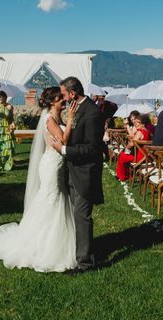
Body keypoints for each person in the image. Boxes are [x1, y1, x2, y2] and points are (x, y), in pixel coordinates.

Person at [0, 86, 77, 272]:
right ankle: (44, 246)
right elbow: (64, 141)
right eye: (61, 98)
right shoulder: (51, 119)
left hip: (56, 164)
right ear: (53, 101)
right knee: (51, 200)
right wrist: (70, 121)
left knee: (53, 199)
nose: (64, 100)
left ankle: (54, 241)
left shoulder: (54, 117)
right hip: (52, 165)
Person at [50, 76, 104, 274]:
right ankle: (79, 252)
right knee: (76, 215)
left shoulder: (92, 113)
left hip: (84, 172)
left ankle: (86, 263)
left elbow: (92, 149)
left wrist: (64, 150)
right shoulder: (78, 109)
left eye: (64, 95)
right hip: (73, 170)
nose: (63, 99)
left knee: (82, 216)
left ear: (73, 93)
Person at [115, 111, 150, 181]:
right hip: (145, 156)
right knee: (124, 155)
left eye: (137, 122)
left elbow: (132, 144)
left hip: (139, 157)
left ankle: (122, 176)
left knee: (122, 155)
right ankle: (126, 174)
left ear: (143, 123)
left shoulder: (140, 132)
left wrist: (126, 148)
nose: (135, 124)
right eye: (135, 122)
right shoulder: (146, 131)